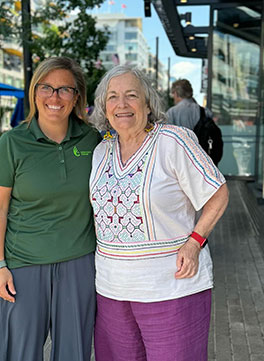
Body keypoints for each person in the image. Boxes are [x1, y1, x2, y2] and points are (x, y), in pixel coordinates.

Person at [89, 65, 229, 361]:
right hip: (112, 290)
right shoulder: (101, 151)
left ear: (148, 103)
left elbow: (218, 192)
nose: (122, 105)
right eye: (113, 97)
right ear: (104, 106)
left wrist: (195, 242)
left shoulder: (173, 141)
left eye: (131, 95)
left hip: (171, 288)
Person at [0, 56, 101, 361]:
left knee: (73, 353)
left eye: (65, 89)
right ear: (34, 92)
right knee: (19, 353)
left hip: (79, 264)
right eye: (46, 88)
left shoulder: (94, 140)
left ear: (77, 96)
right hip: (23, 266)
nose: (54, 97)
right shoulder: (11, 144)